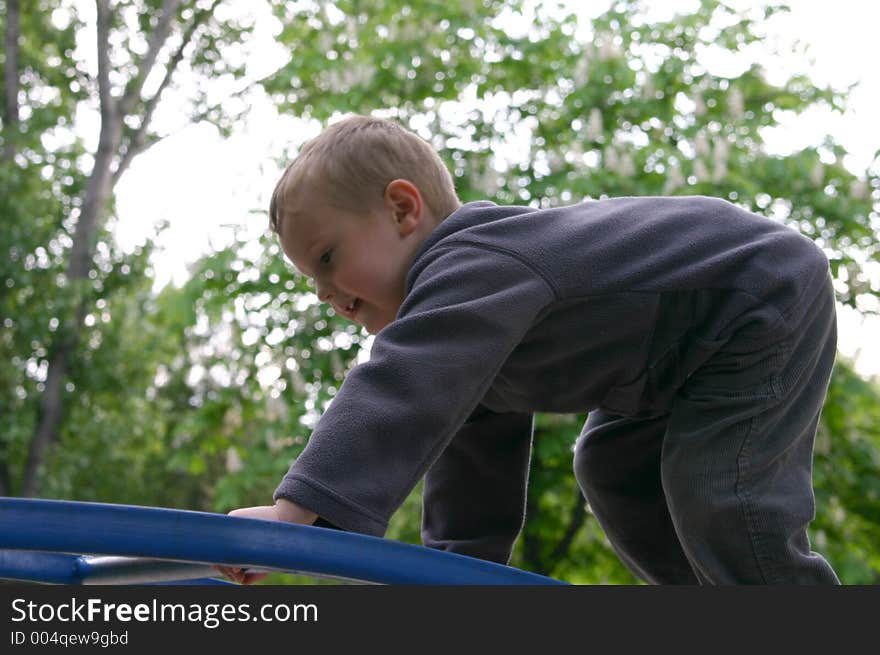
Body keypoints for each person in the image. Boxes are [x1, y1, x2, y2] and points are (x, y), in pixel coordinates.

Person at [218, 114, 839, 585]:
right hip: (676, 362)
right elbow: (472, 474)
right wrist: (454, 576)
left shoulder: (474, 263)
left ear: (403, 209)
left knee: (717, 487)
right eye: (315, 283)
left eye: (328, 259)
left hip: (754, 299)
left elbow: (401, 388)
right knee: (611, 464)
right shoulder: (472, 333)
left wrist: (293, 516)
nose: (329, 295)